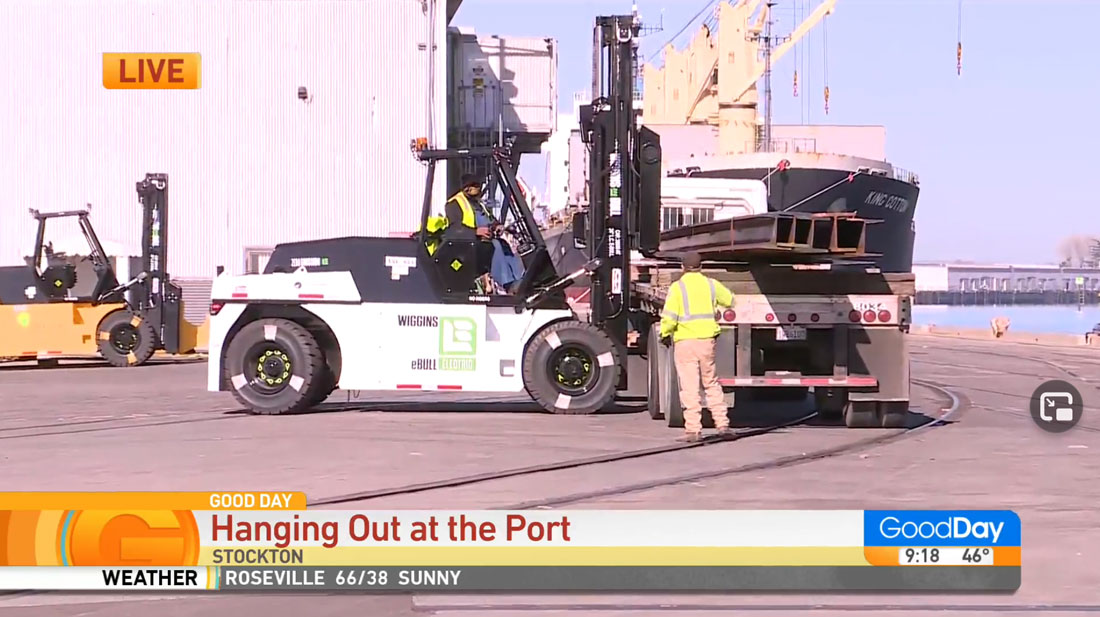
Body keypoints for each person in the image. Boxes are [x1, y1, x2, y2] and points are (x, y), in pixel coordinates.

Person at [659, 251, 735, 442]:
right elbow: (731, 301)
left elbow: (669, 317)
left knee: (690, 386)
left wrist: (664, 333)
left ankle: (693, 430)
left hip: (685, 342)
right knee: (711, 383)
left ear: (683, 267)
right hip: (707, 341)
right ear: (701, 266)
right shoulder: (711, 284)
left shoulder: (678, 288)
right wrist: (717, 311)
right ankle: (722, 424)